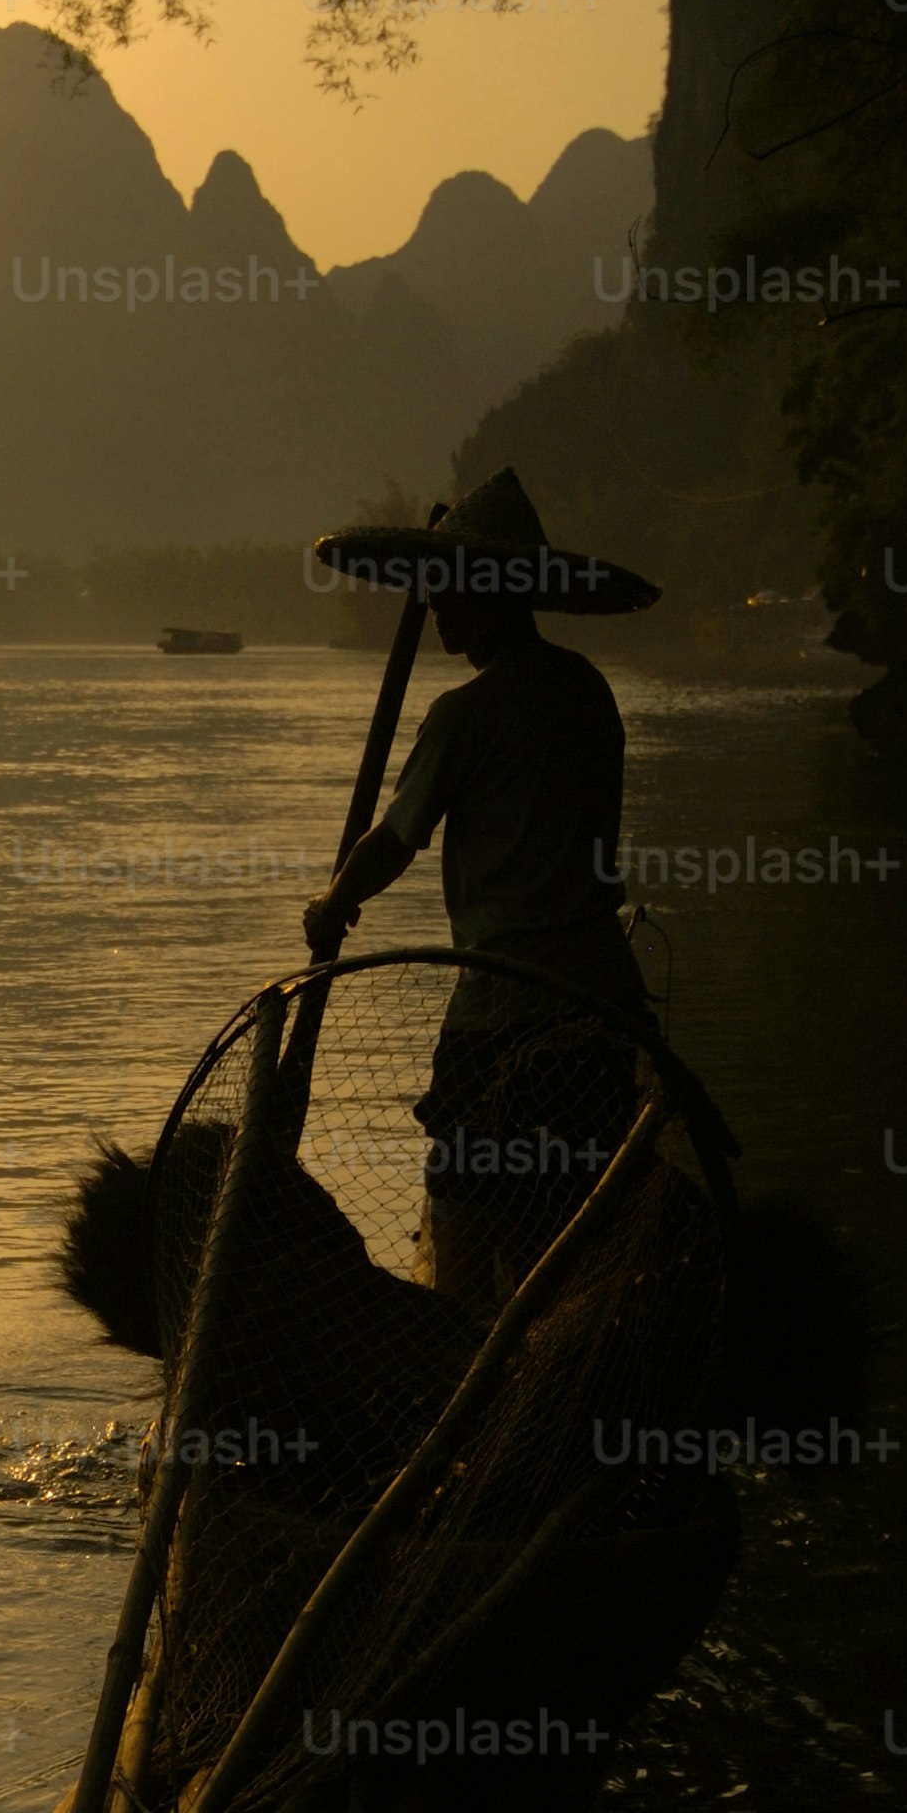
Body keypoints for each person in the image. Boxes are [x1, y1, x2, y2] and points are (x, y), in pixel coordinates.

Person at [300, 471, 660, 1298]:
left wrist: (334, 904)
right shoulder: (587, 691)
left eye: (450, 591)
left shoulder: (466, 715)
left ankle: (455, 1342)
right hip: (604, 1000)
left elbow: (394, 839)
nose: (436, 609)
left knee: (463, 1200)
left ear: (496, 594)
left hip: (507, 1009)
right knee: (580, 1205)